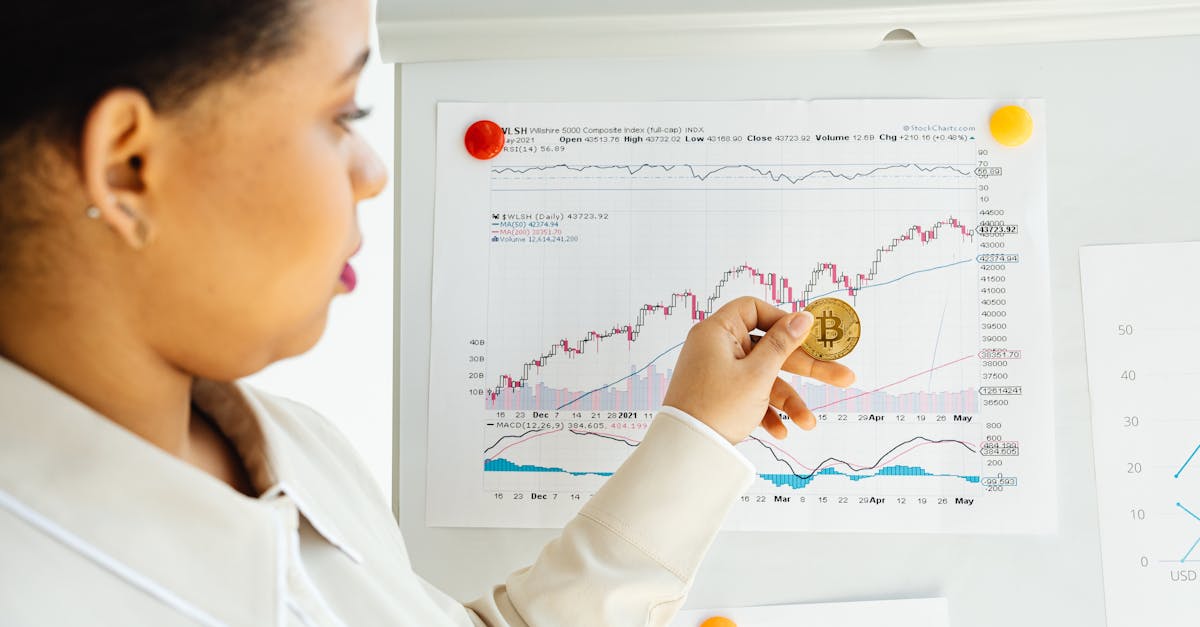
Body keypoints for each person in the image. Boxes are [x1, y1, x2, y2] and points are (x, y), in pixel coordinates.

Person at [0, 2, 855, 625]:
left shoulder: (295, 445)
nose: (374, 171)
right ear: (129, 166)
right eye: (342, 113)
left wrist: (697, 431)